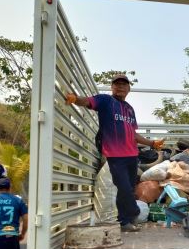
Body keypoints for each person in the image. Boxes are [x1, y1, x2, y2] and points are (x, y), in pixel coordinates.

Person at [65, 74, 164, 232]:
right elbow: (88, 101)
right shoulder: (106, 101)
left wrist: (152, 143)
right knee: (123, 187)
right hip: (115, 155)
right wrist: (75, 99)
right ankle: (132, 212)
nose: (120, 87)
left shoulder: (130, 109)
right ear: (112, 87)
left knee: (129, 189)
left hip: (132, 155)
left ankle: (125, 222)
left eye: (124, 84)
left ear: (129, 89)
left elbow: (134, 134)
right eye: (116, 84)